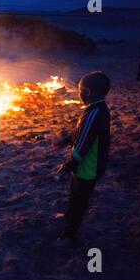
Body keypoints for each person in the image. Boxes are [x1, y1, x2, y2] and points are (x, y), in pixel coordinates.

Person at [55, 71, 111, 244]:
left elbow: (84, 142)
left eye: (80, 90)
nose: (78, 93)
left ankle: (70, 234)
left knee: (81, 199)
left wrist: (69, 164)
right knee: (75, 192)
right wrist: (65, 141)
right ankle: (69, 215)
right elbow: (81, 132)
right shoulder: (95, 109)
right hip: (84, 165)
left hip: (88, 166)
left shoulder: (94, 114)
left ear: (86, 92)